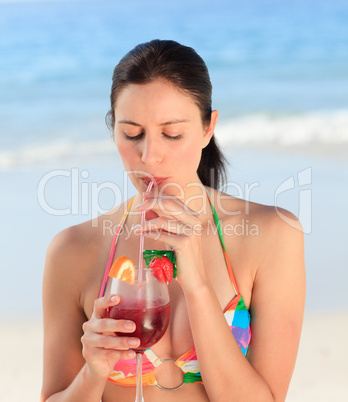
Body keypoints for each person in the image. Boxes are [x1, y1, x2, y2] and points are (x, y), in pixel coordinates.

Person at [41, 39, 306, 402]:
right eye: (132, 133)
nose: (149, 156)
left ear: (207, 128)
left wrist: (196, 284)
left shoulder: (273, 235)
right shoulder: (73, 250)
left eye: (172, 134)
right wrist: (94, 372)